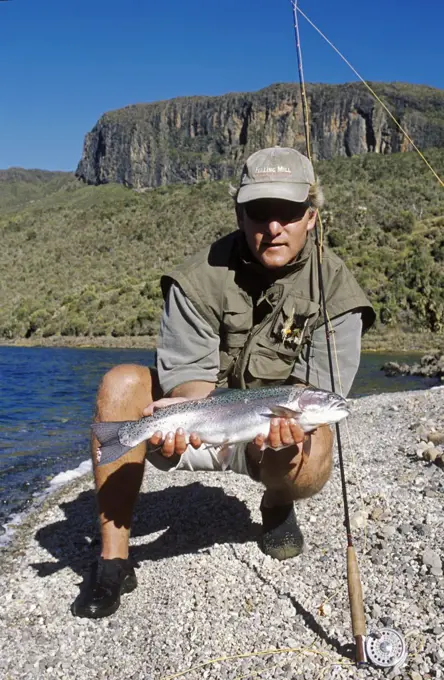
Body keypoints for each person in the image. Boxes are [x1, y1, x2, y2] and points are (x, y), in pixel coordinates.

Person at [71, 147, 375, 619]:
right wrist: (175, 420)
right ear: (240, 213)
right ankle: (113, 559)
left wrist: (293, 433)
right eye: (259, 212)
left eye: (289, 213)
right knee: (121, 383)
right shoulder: (197, 278)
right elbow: (189, 382)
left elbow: (319, 388)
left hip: (265, 438)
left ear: (311, 218)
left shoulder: (338, 295)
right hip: (202, 418)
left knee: (314, 450)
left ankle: (276, 505)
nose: (273, 227)